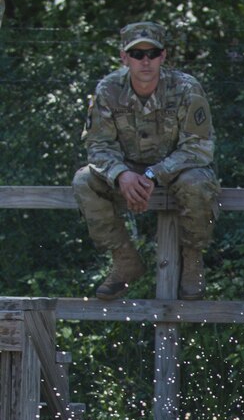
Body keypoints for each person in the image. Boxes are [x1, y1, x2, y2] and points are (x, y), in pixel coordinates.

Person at [72, 21, 220, 301]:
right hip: (127, 174)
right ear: (124, 57)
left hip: (176, 171)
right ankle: (124, 260)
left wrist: (154, 175)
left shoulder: (186, 88)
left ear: (163, 56)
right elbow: (97, 145)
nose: (145, 61)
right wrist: (121, 175)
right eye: (137, 54)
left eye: (152, 53)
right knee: (84, 180)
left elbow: (199, 148)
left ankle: (192, 260)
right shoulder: (108, 90)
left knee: (198, 181)